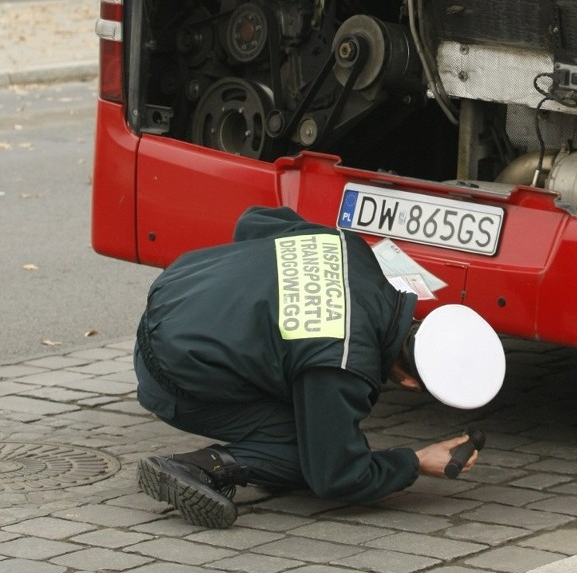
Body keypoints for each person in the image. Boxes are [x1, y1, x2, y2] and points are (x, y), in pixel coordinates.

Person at [134, 205, 506, 528]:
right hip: (166, 372)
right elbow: (339, 476)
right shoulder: (346, 365)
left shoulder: (354, 251)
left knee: (300, 391)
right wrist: (416, 462)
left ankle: (263, 455)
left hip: (173, 291)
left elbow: (254, 222)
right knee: (317, 449)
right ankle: (204, 466)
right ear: (409, 381)